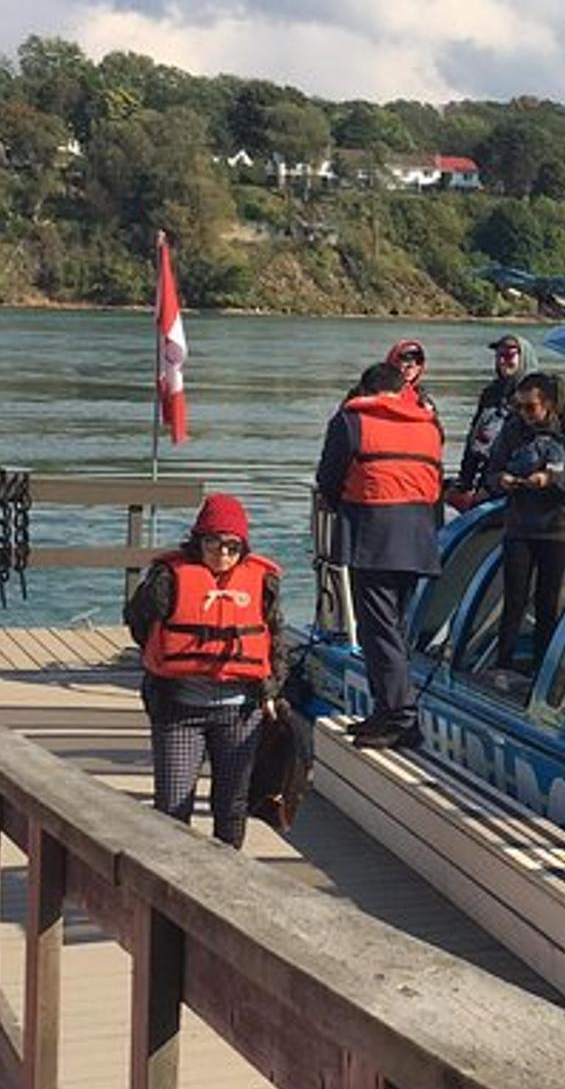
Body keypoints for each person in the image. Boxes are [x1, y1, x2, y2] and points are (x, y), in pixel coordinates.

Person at [126, 494, 288, 848]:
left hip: (240, 711)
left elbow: (274, 639)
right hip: (180, 709)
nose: (222, 554)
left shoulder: (261, 583)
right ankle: (172, 884)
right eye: (213, 543)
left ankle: (228, 883)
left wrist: (272, 690)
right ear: (198, 540)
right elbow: (138, 620)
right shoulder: (167, 578)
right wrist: (163, 654)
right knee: (172, 807)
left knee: (231, 806)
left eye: (232, 546)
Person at [316, 360, 444, 748]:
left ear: (366, 390)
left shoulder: (351, 422)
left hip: (374, 533)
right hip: (420, 533)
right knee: (394, 628)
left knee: (378, 628)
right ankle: (387, 710)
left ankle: (400, 717)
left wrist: (344, 506)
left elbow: (329, 479)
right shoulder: (428, 424)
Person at [479, 371, 565, 680]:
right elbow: (491, 472)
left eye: (531, 408)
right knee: (513, 597)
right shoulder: (513, 431)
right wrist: (500, 480)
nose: (525, 415)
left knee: (547, 600)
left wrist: (551, 479)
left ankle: (543, 667)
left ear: (549, 405)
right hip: (520, 526)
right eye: (520, 407)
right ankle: (503, 663)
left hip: (556, 528)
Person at [451, 332, 538, 507]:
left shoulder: (536, 395)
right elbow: (474, 439)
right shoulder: (491, 393)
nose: (502, 361)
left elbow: (532, 452)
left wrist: (493, 488)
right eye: (499, 355)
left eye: (509, 355)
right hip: (487, 475)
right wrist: (465, 481)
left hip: (516, 485)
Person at [386, 338, 437, 415]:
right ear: (393, 361)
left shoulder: (423, 398)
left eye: (419, 360)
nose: (412, 365)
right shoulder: (374, 390)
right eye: (406, 358)